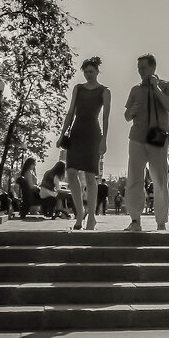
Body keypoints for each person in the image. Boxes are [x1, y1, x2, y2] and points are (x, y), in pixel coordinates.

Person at [57, 56, 110, 231]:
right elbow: (71, 112)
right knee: (71, 171)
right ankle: (79, 214)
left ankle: (92, 216)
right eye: (86, 72)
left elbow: (105, 118)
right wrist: (62, 133)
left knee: (90, 175)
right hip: (77, 133)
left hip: (93, 134)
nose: (88, 75)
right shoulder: (78, 88)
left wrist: (104, 141)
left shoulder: (104, 91)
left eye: (91, 72)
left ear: (97, 72)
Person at [124, 53, 169, 232]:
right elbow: (126, 115)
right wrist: (131, 112)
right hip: (137, 138)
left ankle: (161, 222)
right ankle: (135, 220)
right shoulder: (135, 90)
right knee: (134, 179)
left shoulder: (166, 85)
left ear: (153, 67)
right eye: (138, 68)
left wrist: (156, 89)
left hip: (157, 139)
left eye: (143, 68)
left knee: (160, 180)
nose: (140, 72)